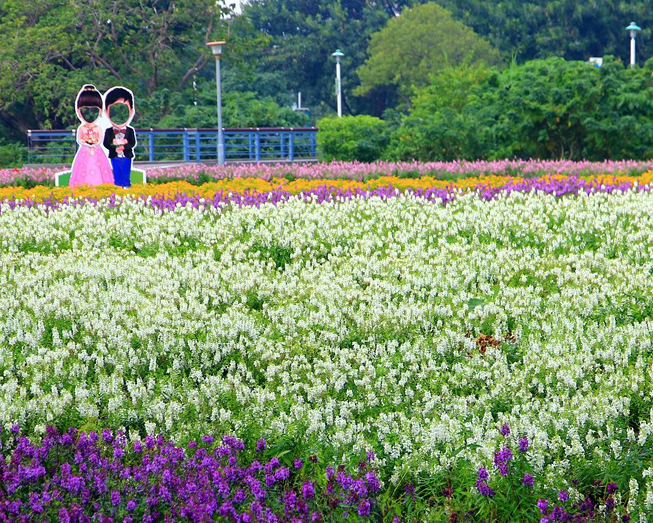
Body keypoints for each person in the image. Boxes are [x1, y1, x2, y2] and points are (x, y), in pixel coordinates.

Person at [69, 85, 114, 187]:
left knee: (100, 170)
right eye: (85, 110)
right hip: (84, 151)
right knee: (82, 170)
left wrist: (94, 142)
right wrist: (86, 142)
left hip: (97, 151)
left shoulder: (98, 128)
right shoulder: (81, 128)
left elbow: (100, 139)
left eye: (94, 110)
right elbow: (79, 140)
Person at [103, 86, 137, 188]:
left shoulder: (130, 131)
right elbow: (106, 143)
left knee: (126, 173)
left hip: (126, 156)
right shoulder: (109, 131)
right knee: (117, 174)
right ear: (107, 112)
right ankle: (117, 187)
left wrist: (125, 146)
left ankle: (126, 187)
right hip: (115, 156)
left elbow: (133, 143)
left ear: (131, 111)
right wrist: (114, 146)